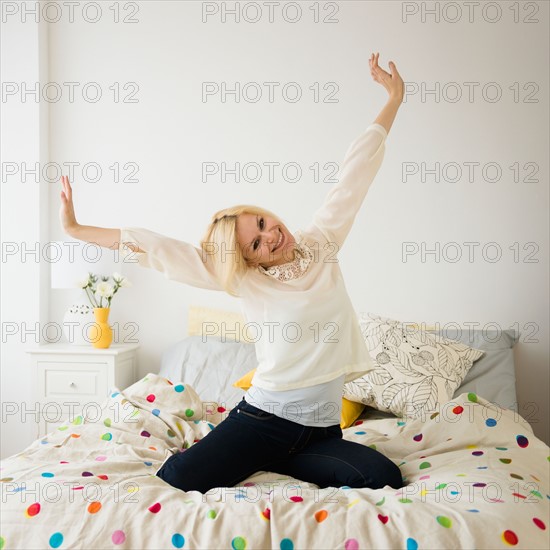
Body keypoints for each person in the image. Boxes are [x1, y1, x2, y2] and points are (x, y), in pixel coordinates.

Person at [59, 53, 405, 493]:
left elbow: (355, 174)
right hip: (264, 421)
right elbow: (158, 248)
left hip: (320, 430)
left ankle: (282, 462)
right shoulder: (246, 280)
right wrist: (75, 228)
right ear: (249, 260)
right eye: (256, 244)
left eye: (263, 224)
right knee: (176, 480)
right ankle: (261, 454)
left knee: (382, 477)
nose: (271, 236)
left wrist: (394, 98)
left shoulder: (322, 242)